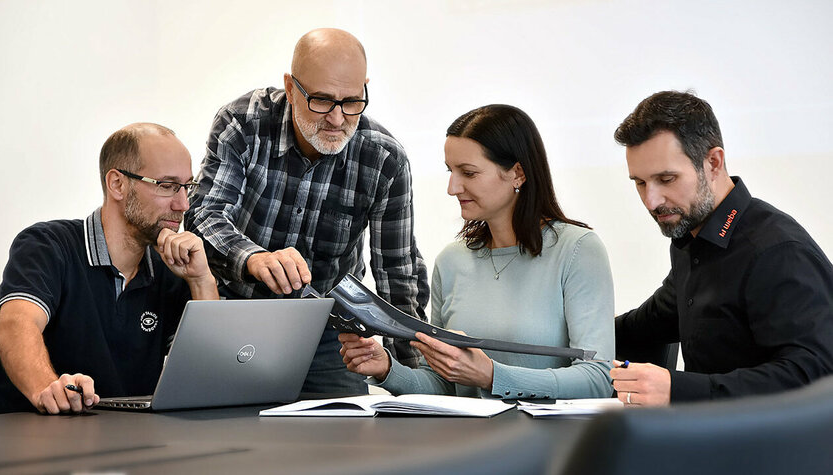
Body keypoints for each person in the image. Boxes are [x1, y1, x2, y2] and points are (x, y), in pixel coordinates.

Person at [185, 28, 428, 394]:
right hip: (235, 315)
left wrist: (415, 383)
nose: (336, 117)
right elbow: (203, 215)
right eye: (321, 100)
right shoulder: (243, 123)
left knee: (342, 441)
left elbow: (397, 272)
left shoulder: (384, 158)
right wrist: (253, 259)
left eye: (351, 101)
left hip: (329, 333)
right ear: (290, 86)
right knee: (226, 435)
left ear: (364, 87)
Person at [339, 104, 615, 399]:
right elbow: (443, 386)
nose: (452, 187)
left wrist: (491, 376)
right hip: (467, 438)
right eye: (450, 171)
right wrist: (386, 369)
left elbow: (598, 378)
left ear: (517, 174)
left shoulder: (578, 250)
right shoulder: (451, 261)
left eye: (468, 173)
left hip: (550, 441)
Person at [610, 91, 833, 406]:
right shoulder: (691, 241)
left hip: (774, 451)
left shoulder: (778, 251)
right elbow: (650, 322)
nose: (652, 201)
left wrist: (677, 390)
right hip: (712, 442)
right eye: (640, 183)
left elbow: (815, 377)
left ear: (713, 162)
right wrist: (575, 330)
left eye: (666, 178)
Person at [0, 123, 219, 415]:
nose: (184, 203)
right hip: (25, 440)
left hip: (125, 445)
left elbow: (207, 380)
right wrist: (48, 388)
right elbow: (14, 327)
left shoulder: (170, 271)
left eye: (188, 186)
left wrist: (201, 281)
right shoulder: (48, 246)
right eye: (167, 185)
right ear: (118, 184)